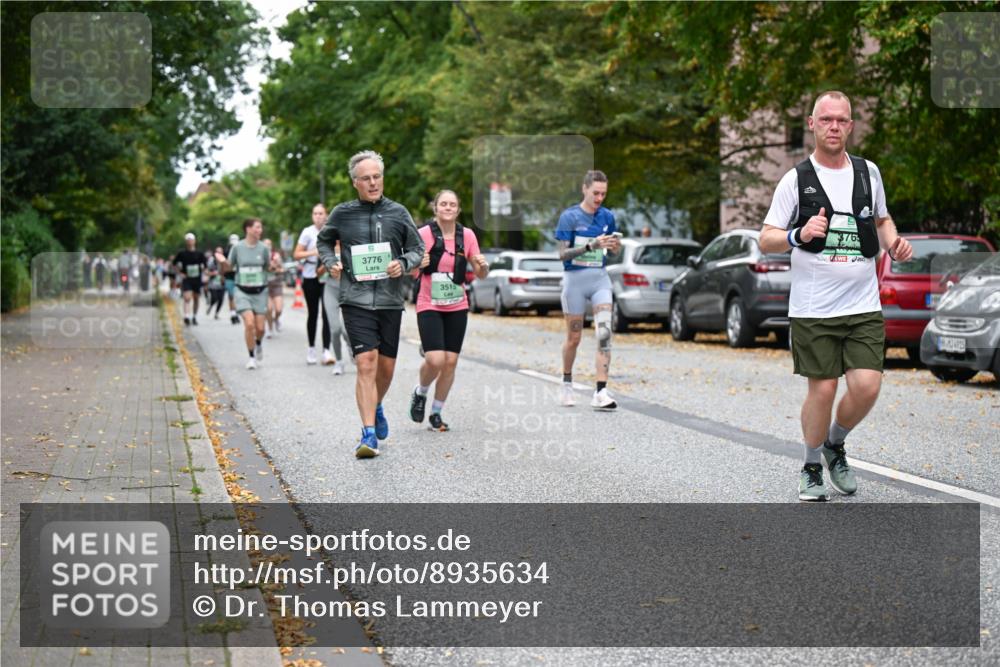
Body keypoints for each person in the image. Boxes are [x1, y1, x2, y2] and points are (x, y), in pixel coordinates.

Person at [758, 90, 913, 502]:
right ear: (812, 124)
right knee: (823, 389)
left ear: (851, 126)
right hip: (814, 309)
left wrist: (893, 242)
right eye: (826, 119)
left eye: (841, 120)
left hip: (863, 305)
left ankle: (834, 444)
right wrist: (799, 234)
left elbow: (882, 219)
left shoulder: (867, 173)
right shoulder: (796, 180)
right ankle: (811, 465)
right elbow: (766, 238)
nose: (833, 127)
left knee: (867, 387)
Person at [317, 150, 424, 458]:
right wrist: (331, 262)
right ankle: (368, 435)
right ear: (355, 183)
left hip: (390, 300)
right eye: (366, 178)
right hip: (355, 298)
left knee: (386, 369)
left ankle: (376, 405)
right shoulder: (342, 213)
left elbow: (417, 248)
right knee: (366, 362)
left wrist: (403, 263)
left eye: (377, 177)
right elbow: (324, 240)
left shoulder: (398, 213)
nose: (373, 183)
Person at [407, 190, 488, 432]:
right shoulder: (423, 233)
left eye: (453, 204)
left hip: (457, 304)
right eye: (444, 204)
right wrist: (417, 264)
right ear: (436, 208)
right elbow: (410, 270)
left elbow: (480, 274)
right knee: (435, 359)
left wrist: (484, 266)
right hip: (429, 302)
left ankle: (436, 413)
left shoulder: (467, 235)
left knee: (450, 362)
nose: (448, 207)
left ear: (458, 209)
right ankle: (420, 391)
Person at [555, 170, 622, 410]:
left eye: (603, 194)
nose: (599, 198)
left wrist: (614, 246)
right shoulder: (569, 217)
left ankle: (601, 392)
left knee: (604, 335)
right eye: (595, 193)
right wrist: (589, 246)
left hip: (599, 280)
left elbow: (615, 252)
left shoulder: (607, 217)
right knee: (574, 338)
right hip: (574, 282)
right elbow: (562, 254)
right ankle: (566, 383)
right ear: (584, 189)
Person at [215, 219, 271, 370]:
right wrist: (222, 261)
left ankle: (258, 343)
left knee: (260, 328)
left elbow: (267, 267)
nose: (260, 230)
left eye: (261, 228)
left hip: (260, 292)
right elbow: (229, 267)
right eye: (257, 227)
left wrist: (276, 267)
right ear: (248, 229)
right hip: (242, 291)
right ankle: (251, 357)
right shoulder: (237, 248)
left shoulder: (264, 248)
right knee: (249, 323)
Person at [295, 204, 335, 365]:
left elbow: (339, 249)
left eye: (320, 213)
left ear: (326, 215)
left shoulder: (331, 230)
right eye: (315, 213)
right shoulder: (307, 232)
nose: (318, 216)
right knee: (313, 313)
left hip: (327, 275)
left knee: (327, 313)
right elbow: (297, 254)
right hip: (310, 275)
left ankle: (326, 350)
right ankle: (311, 348)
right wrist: (314, 252)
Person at [320, 243, 349, 376]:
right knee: (335, 329)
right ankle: (339, 361)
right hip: (330, 290)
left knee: (346, 331)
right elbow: (318, 274)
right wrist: (326, 266)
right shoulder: (326, 247)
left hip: (348, 289)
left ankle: (351, 347)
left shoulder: (350, 242)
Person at [175, 233, 207, 326]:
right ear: (186, 242)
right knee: (187, 297)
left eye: (191, 240)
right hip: (187, 278)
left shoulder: (200, 254)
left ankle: (194, 316)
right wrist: (180, 273)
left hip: (197, 278)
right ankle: (186, 316)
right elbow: (174, 264)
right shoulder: (182, 253)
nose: (190, 242)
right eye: (188, 240)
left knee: (196, 298)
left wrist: (205, 274)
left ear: (194, 241)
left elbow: (205, 266)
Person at [264, 239, 286, 337]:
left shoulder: (276, 256)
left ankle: (276, 320)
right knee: (268, 309)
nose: (267, 246)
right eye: (265, 244)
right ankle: (269, 329)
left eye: (269, 244)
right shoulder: (260, 256)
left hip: (276, 285)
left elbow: (282, 269)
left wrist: (276, 267)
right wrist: (269, 267)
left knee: (278, 309)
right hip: (265, 286)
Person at [205, 247, 226, 319]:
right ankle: (210, 306)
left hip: (221, 283)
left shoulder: (225, 262)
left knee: (221, 299)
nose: (219, 254)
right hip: (213, 284)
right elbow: (206, 271)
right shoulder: (211, 262)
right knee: (214, 298)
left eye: (220, 252)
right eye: (217, 252)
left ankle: (216, 313)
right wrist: (212, 273)